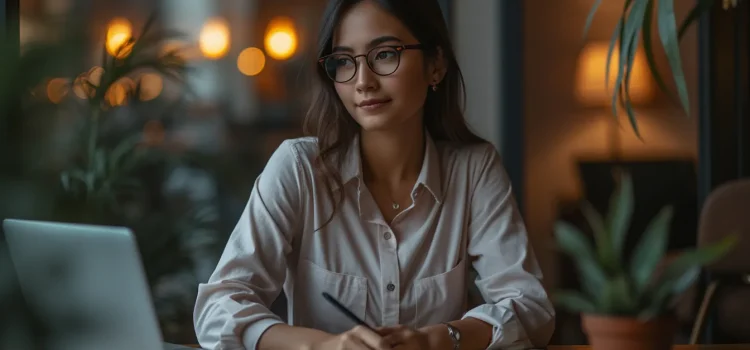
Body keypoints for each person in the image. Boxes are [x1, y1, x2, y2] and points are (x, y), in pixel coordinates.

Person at [193, 0, 555, 349]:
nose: (363, 82)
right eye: (344, 61)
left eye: (385, 54)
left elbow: (531, 309)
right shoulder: (300, 169)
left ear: (436, 64)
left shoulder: (473, 170)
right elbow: (217, 308)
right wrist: (322, 346)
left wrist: (436, 340)